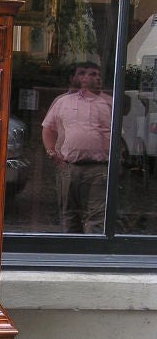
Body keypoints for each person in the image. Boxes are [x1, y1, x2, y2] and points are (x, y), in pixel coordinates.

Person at [42, 62, 112, 233]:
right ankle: (71, 253)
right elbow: (48, 128)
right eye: (90, 74)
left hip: (99, 168)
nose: (95, 77)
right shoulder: (63, 102)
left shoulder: (109, 103)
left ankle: (92, 254)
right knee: (69, 214)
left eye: (97, 74)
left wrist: (117, 162)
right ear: (80, 78)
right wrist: (51, 152)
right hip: (69, 167)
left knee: (96, 216)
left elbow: (116, 135)